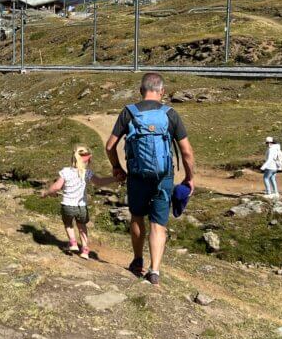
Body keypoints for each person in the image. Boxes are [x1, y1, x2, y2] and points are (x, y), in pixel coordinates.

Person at [105, 72, 196, 286]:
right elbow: (187, 152)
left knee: (137, 217)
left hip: (136, 176)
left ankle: (137, 262)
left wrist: (117, 167)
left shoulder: (129, 113)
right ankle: (154, 271)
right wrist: (190, 177)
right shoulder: (170, 114)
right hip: (163, 178)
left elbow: (110, 146)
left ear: (141, 91)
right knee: (158, 225)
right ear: (162, 92)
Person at [41, 146, 116, 259]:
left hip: (67, 205)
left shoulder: (65, 171)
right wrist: (115, 179)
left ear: (73, 159)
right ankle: (85, 250)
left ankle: (73, 242)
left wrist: (46, 193)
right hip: (81, 207)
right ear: (88, 161)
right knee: (82, 227)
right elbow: (99, 182)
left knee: (68, 224)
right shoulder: (87, 173)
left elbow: (56, 187)